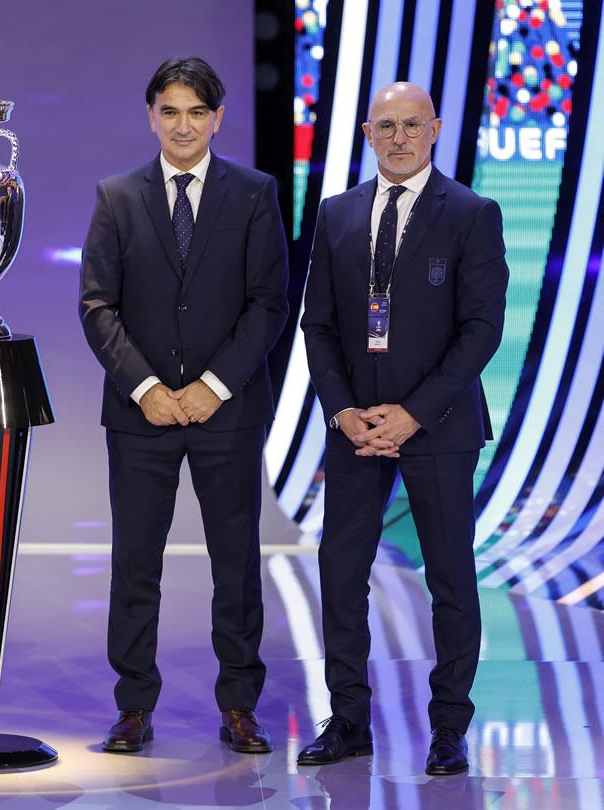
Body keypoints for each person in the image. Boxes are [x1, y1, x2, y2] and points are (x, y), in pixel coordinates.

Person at [79, 57, 289, 754]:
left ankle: (240, 707)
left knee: (235, 560)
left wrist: (212, 386)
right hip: (140, 415)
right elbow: (97, 306)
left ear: (218, 118)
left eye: (197, 112)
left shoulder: (255, 193)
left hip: (227, 412)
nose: (183, 125)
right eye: (170, 112)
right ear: (151, 117)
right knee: (136, 563)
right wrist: (146, 388)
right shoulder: (118, 195)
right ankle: (134, 706)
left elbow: (267, 304)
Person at [298, 81, 507, 775]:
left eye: (411, 124)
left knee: (449, 575)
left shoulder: (472, 213)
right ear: (366, 134)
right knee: (340, 570)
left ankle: (449, 726)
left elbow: (481, 330)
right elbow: (318, 326)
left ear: (436, 129)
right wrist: (343, 409)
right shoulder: (336, 215)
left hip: (439, 425)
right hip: (355, 425)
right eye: (385, 125)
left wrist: (414, 412)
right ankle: (349, 719)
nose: (399, 136)